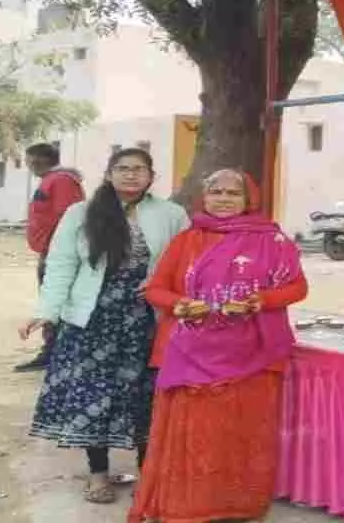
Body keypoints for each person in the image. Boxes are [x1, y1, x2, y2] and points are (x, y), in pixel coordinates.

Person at [129, 168, 308, 523]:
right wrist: (180, 305)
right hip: (192, 354)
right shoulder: (187, 240)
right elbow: (156, 289)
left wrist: (261, 300)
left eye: (232, 193)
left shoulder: (273, 241)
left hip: (254, 354)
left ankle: (238, 506)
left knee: (243, 432)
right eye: (216, 192)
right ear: (204, 197)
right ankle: (188, 507)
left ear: (248, 199)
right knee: (197, 432)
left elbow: (297, 288)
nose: (223, 199)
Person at [19, 149, 189, 505]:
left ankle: (148, 477)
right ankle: (98, 475)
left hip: (146, 320)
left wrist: (163, 283)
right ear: (109, 174)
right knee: (93, 398)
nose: (131, 175)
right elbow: (62, 264)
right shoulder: (80, 213)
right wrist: (47, 311)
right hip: (92, 321)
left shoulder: (172, 214)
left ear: (151, 176)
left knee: (144, 398)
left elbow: (188, 263)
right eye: (122, 168)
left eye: (139, 169)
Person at [15, 143, 86, 372]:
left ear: (39, 160)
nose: (29, 165)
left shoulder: (62, 181)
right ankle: (53, 351)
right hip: (49, 251)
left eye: (30, 161)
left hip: (57, 254)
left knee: (57, 302)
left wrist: (58, 252)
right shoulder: (51, 180)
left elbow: (68, 219)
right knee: (51, 300)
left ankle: (55, 353)